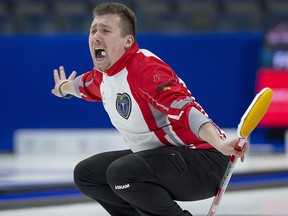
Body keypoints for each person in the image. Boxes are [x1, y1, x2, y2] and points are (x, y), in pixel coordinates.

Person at [51, 2, 249, 216]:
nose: (96, 36)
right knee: (87, 174)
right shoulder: (104, 75)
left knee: (122, 173)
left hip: (205, 159)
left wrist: (220, 143)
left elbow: (184, 109)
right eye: (93, 30)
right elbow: (83, 86)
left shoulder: (145, 70)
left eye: (106, 30)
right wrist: (63, 88)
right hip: (165, 156)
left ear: (128, 41)